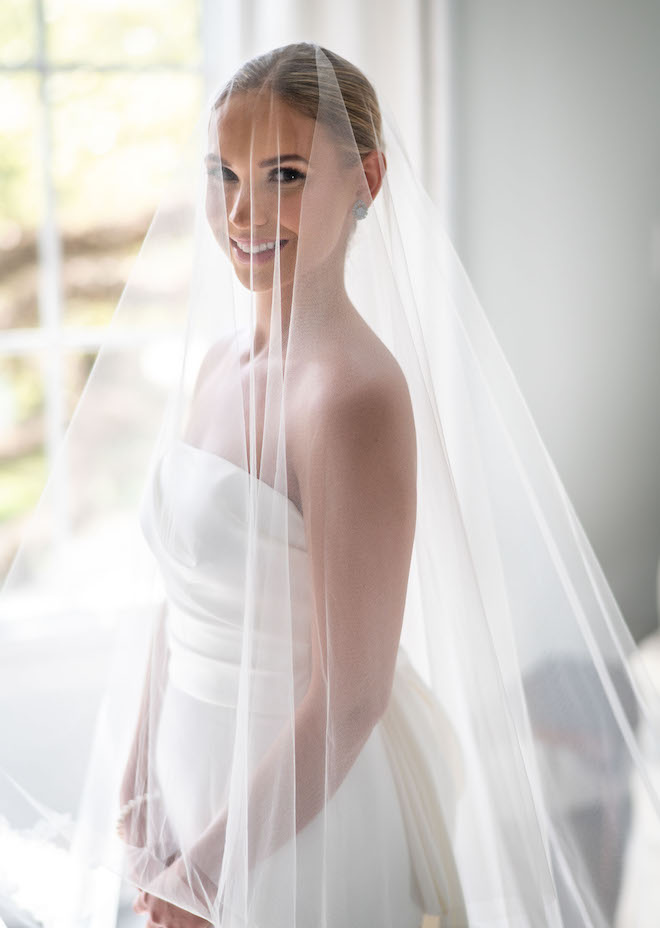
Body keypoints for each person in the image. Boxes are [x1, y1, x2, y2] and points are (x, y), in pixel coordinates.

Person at [0, 42, 658, 928]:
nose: (242, 211)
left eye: (283, 174)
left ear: (367, 181)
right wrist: (138, 782)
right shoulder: (216, 365)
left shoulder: (354, 397)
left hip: (295, 826)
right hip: (188, 792)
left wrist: (209, 873)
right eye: (223, 174)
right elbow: (183, 592)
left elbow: (353, 697)